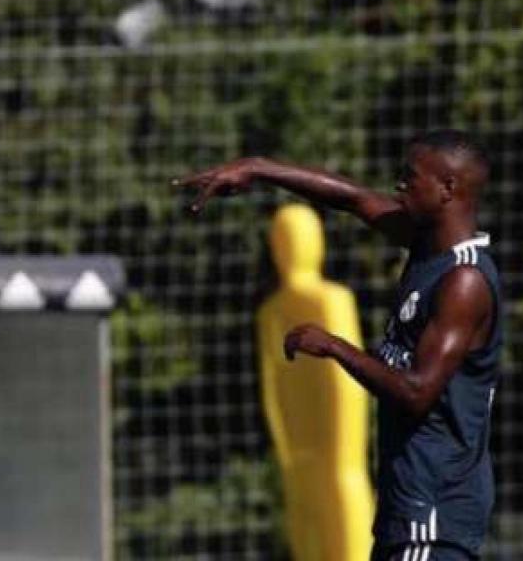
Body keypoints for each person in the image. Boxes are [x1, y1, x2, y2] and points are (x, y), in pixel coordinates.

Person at [176, 130, 501, 561]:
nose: (398, 184)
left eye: (410, 176)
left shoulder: (464, 281)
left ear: (448, 189)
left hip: (435, 510)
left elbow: (417, 392)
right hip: (410, 511)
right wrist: (258, 167)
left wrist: (334, 347)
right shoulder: (426, 246)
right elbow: (351, 198)